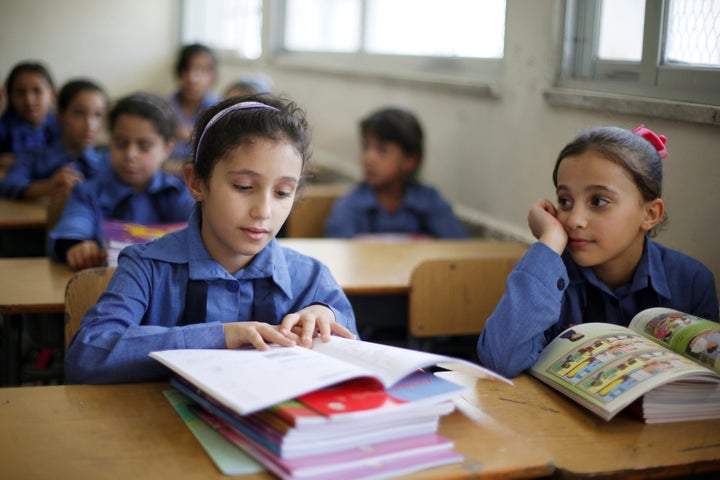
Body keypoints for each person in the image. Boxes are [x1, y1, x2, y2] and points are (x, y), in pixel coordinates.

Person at [64, 94, 358, 384]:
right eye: (244, 186)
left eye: (282, 192)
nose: (263, 211)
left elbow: (351, 345)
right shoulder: (145, 267)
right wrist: (219, 335)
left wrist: (326, 315)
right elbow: (88, 354)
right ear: (196, 182)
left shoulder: (310, 277)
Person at [476, 125, 719, 378]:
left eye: (599, 201)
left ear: (649, 214)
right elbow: (500, 361)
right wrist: (549, 242)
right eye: (565, 201)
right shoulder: (548, 277)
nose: (574, 221)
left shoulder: (692, 282)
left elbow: (706, 381)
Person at [48, 93, 195, 270]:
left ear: (167, 148)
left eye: (144, 146)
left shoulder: (181, 193)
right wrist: (78, 247)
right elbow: (73, 230)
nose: (130, 155)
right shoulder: (87, 193)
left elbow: (204, 236)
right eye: (121, 143)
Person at [324, 107, 467, 238]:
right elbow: (337, 253)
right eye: (366, 147)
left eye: (382, 150)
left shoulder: (429, 201)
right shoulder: (351, 205)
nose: (369, 158)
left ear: (411, 160)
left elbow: (458, 249)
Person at [0, 78, 109, 199]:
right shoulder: (33, 157)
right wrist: (47, 187)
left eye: (97, 115)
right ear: (60, 116)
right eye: (79, 113)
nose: (89, 125)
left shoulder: (110, 162)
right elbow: (7, 185)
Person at [0, 61, 61, 167]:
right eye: (20, 92)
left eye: (37, 91)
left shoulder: (61, 124)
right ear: (9, 97)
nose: (29, 100)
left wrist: (18, 160)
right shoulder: (5, 123)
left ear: (53, 95)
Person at [168, 43, 220, 162]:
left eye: (202, 70)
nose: (192, 78)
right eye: (187, 69)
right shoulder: (165, 108)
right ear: (180, 73)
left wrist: (190, 137)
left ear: (212, 76)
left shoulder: (220, 111)